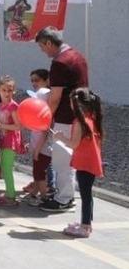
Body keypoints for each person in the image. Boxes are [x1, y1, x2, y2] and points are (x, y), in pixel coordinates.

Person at [36, 27, 88, 213]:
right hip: (80, 114)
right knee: (69, 158)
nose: (43, 51)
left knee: (62, 159)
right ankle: (67, 195)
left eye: (42, 47)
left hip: (65, 117)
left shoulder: (59, 63)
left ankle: (64, 199)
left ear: (49, 43)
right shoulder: (77, 56)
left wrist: (46, 118)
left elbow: (55, 97)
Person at [54, 88, 104, 238]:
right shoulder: (91, 117)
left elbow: (74, 144)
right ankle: (86, 223)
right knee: (87, 194)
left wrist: (60, 137)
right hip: (90, 161)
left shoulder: (79, 122)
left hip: (85, 163)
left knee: (85, 195)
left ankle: (85, 226)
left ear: (75, 104)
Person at [0, 75, 25, 206]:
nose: (7, 93)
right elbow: (1, 120)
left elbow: (18, 126)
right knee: (4, 169)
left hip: (11, 141)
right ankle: (9, 193)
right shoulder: (1, 105)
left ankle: (11, 196)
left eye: (10, 90)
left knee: (7, 169)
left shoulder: (13, 106)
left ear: (13, 91)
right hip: (4, 140)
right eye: (4, 90)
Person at [25, 69, 53, 205]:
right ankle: (34, 193)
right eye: (32, 80)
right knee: (37, 171)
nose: (34, 83)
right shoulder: (43, 94)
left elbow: (44, 130)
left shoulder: (43, 94)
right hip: (39, 144)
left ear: (46, 80)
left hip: (43, 147)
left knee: (39, 172)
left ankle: (44, 197)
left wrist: (37, 149)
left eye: (37, 80)